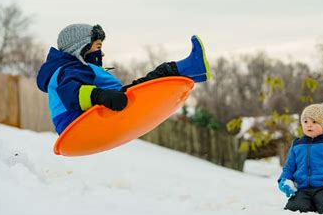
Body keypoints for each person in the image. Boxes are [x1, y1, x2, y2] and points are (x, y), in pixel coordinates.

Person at [37, 23, 211, 134]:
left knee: (139, 87)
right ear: (81, 47)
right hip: (76, 123)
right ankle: (190, 67)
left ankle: (193, 71)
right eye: (98, 46)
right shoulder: (69, 70)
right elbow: (71, 93)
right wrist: (100, 96)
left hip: (82, 120)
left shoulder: (71, 68)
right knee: (147, 84)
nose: (101, 53)